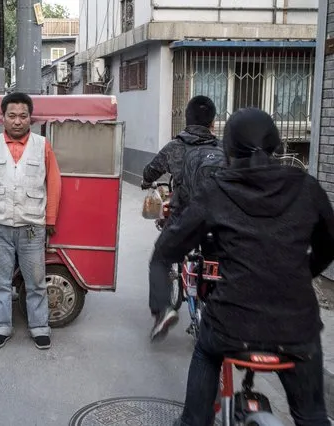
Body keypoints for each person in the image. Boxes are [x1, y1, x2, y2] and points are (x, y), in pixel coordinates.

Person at [151, 108, 334, 425]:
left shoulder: (216, 191)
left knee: (206, 353)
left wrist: (161, 304)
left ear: (229, 149)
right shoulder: (307, 187)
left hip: (231, 325)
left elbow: (166, 251)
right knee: (313, 417)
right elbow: (330, 245)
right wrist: (302, 274)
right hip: (297, 328)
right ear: (276, 144)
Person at [0, 92, 62, 350]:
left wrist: (50, 217)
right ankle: (1, 327)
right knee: (0, 281)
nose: (17, 121)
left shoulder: (43, 145)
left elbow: (53, 184)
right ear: (3, 118)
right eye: (12, 116)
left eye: (22, 116)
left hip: (32, 225)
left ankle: (40, 327)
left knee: (35, 281)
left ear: (30, 118)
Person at [141, 95, 225, 342]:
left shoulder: (175, 147)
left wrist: (147, 181)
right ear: (213, 123)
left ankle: (164, 310)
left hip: (185, 221)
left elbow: (149, 171)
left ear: (186, 120)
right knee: (217, 262)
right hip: (219, 221)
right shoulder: (222, 149)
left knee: (160, 258)